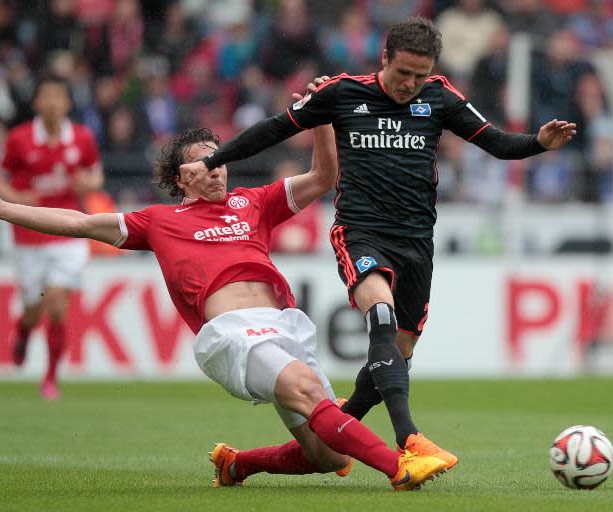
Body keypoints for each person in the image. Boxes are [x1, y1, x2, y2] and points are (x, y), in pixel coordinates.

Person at [0, 123, 449, 491]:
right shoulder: (158, 221)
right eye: (205, 163)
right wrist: (4, 208)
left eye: (222, 159)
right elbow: (79, 222)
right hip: (232, 334)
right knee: (306, 390)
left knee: (325, 455)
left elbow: (324, 176)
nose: (218, 168)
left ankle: (237, 463)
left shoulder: (252, 202)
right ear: (182, 176)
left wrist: (320, 121)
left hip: (282, 327)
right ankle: (398, 466)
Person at [180, 17, 577, 466]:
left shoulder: (441, 97)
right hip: (361, 231)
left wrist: (539, 143)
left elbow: (499, 144)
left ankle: (304, 442)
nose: (410, 84)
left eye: (419, 76)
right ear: (384, 58)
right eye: (402, 72)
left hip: (417, 242)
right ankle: (410, 438)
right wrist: (213, 158)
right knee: (381, 318)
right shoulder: (343, 93)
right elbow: (273, 129)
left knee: (396, 354)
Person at [0, 74, 104, 399]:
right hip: (29, 237)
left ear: (68, 102)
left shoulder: (82, 138)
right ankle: (24, 332)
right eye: (47, 96)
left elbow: (96, 175)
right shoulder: (19, 139)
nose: (53, 102)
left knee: (56, 304)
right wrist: (14, 195)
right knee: (32, 308)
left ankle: (51, 378)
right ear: (36, 103)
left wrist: (89, 184)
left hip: (69, 231)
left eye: (59, 95)